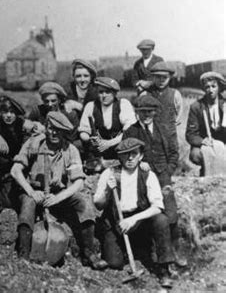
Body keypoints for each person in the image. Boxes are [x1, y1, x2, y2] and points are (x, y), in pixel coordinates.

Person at [10, 111, 108, 269]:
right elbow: (15, 170)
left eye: (59, 130)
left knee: (84, 204)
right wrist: (32, 192)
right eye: (51, 128)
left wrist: (58, 198)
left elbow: (78, 183)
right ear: (46, 128)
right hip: (34, 191)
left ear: (64, 132)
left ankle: (89, 253)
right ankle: (24, 254)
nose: (54, 133)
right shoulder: (34, 144)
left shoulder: (71, 150)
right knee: (27, 206)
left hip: (58, 194)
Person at [93, 138, 175, 288]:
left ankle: (164, 270)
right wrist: (107, 191)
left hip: (139, 221)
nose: (130, 158)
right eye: (125, 154)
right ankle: (128, 250)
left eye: (134, 154)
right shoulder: (110, 173)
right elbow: (98, 205)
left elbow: (158, 206)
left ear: (141, 156)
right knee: (114, 263)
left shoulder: (148, 175)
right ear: (119, 156)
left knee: (161, 220)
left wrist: (133, 219)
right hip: (116, 221)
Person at [124, 95, 186, 267]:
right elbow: (124, 157)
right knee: (154, 214)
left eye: (149, 111)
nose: (146, 115)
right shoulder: (130, 131)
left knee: (171, 212)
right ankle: (153, 252)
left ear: (155, 112)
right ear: (137, 112)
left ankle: (176, 249)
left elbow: (174, 154)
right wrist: (137, 166)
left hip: (162, 176)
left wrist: (167, 171)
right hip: (141, 179)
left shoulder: (164, 129)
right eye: (142, 112)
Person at [0, 96, 41, 209]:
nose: (8, 115)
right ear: (0, 112)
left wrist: (37, 139)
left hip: (14, 168)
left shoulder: (22, 122)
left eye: (12, 112)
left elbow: (42, 129)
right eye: (5, 112)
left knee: (11, 201)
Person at [79, 77, 136, 160]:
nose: (104, 96)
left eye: (108, 92)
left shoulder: (123, 104)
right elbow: (83, 130)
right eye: (101, 92)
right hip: (99, 151)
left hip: (120, 150)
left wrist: (109, 143)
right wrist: (89, 138)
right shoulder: (91, 106)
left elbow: (130, 132)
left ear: (115, 93)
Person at [186, 71, 226, 171]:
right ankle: (207, 170)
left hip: (223, 141)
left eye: (213, 86)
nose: (210, 90)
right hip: (206, 142)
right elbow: (190, 134)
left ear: (219, 87)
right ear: (204, 89)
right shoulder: (196, 107)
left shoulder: (225, 105)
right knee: (195, 155)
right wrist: (202, 141)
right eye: (207, 87)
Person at [27, 81, 80, 149]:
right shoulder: (37, 111)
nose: (50, 104)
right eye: (46, 101)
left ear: (59, 100)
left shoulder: (70, 114)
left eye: (53, 101)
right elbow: (27, 131)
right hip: (41, 147)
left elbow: (72, 138)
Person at [147, 62, 183, 143]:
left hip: (169, 134)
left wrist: (174, 125)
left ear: (170, 77)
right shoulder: (147, 94)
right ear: (153, 77)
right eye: (158, 77)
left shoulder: (175, 94)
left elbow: (179, 111)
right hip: (151, 132)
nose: (161, 80)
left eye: (164, 77)